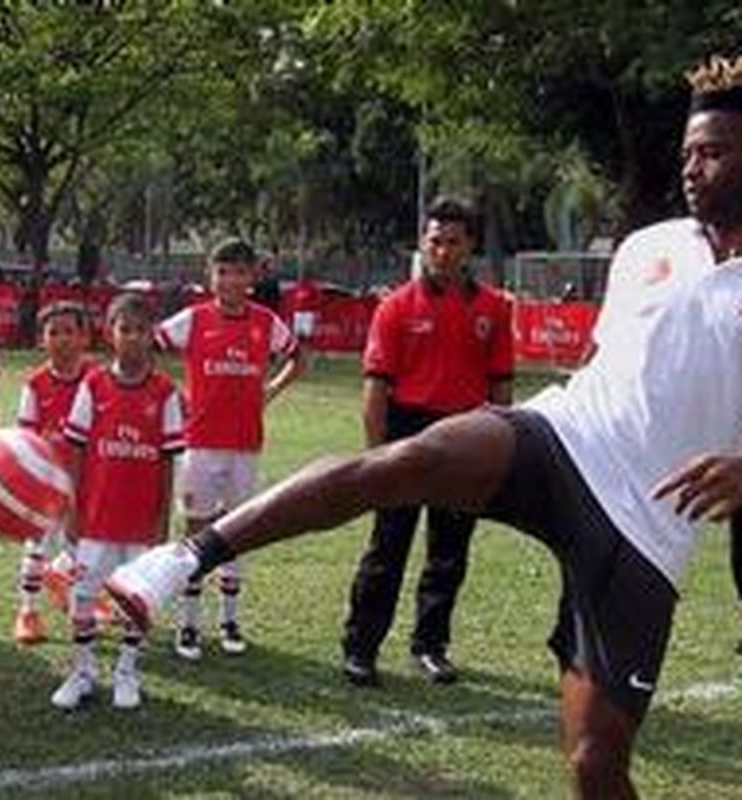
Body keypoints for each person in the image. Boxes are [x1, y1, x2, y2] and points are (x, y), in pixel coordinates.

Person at [106, 56, 742, 798]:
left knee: (594, 765)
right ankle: (183, 559)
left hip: (646, 530)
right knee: (402, 463)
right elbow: (617, 364)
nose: (692, 168)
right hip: (566, 438)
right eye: (689, 152)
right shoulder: (649, 248)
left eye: (714, 152)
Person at [342, 198, 513, 687]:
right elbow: (375, 387)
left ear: (470, 247)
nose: (441, 250)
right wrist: (378, 455)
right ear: (423, 243)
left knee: (449, 551)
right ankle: (360, 647)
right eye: (434, 240)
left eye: (452, 241)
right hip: (407, 431)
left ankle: (430, 646)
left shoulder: (495, 309)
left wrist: (500, 440)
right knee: (387, 547)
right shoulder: (395, 307)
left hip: (466, 435)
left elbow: (501, 385)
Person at [156, 238, 302, 659]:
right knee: (196, 532)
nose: (230, 280)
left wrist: (270, 390)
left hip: (245, 444)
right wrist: (174, 394)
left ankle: (230, 619)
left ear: (253, 277)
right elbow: (152, 345)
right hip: (201, 443)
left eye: (239, 271)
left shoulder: (265, 321)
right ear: (210, 276)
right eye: (222, 271)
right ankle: (187, 624)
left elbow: (297, 356)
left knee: (238, 531)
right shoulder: (195, 319)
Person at [51, 293, 184, 710]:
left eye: (141, 331)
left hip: (140, 521)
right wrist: (72, 510)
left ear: (152, 337)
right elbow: (73, 450)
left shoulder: (164, 392)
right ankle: (83, 670)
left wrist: (162, 521)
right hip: (95, 516)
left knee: (135, 599)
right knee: (84, 595)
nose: (132, 339)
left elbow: (167, 462)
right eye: (124, 329)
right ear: (110, 334)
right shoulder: (93, 384)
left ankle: (127, 670)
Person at [13, 301, 92, 645]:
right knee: (35, 550)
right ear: (42, 339)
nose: (61, 339)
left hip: (88, 481)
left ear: (84, 337)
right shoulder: (35, 384)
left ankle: (64, 583)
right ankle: (28, 612)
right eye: (53, 332)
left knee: (83, 550)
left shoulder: (97, 379)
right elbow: (25, 440)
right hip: (46, 483)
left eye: (69, 331)